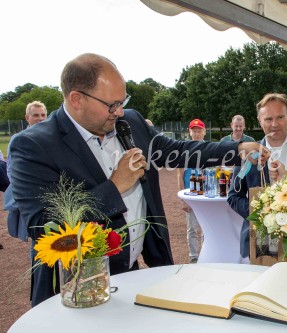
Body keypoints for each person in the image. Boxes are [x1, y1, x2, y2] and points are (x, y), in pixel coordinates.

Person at [9, 53, 270, 307]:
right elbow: (42, 225)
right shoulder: (33, 146)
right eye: (112, 105)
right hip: (74, 289)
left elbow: (177, 151)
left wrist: (235, 150)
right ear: (76, 99)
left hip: (129, 274)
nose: (120, 112)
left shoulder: (131, 121)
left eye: (123, 101)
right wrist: (114, 186)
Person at [227, 93, 287, 263]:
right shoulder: (248, 153)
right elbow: (234, 196)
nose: (274, 124)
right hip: (260, 242)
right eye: (268, 119)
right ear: (259, 121)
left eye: (280, 117)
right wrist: (261, 213)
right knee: (262, 289)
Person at [4, 101, 48, 242]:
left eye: (43, 115)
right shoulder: (19, 139)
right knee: (36, 237)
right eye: (35, 115)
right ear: (27, 118)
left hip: (49, 195)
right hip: (31, 196)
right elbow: (11, 169)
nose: (40, 118)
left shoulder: (50, 138)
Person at [177, 119, 206, 263]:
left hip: (206, 194)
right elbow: (180, 175)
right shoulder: (184, 150)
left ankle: (207, 254)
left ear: (204, 131)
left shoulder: (209, 148)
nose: (196, 133)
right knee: (192, 228)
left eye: (199, 130)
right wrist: (183, 198)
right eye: (194, 131)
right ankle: (194, 256)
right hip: (191, 193)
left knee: (207, 227)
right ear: (189, 132)